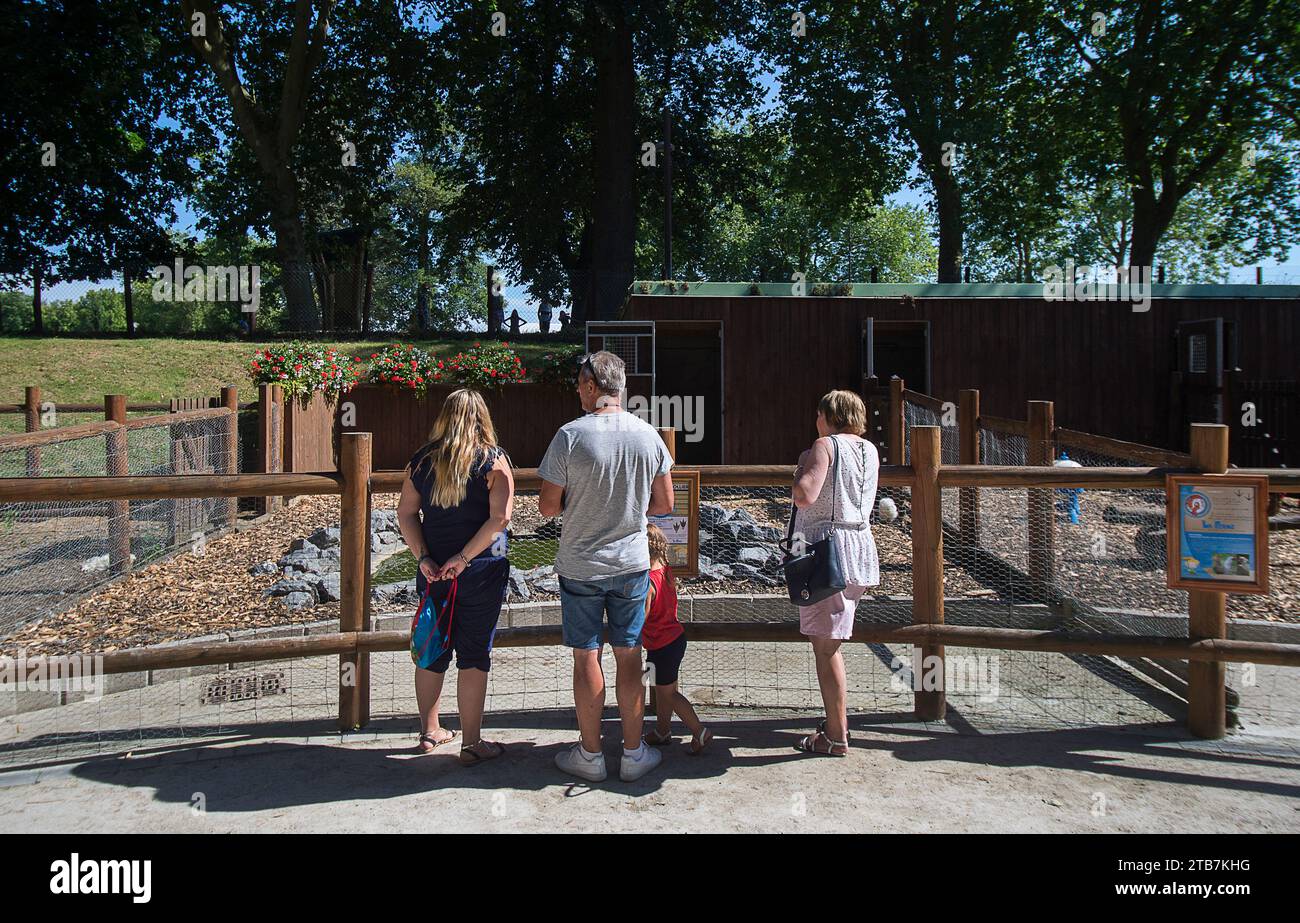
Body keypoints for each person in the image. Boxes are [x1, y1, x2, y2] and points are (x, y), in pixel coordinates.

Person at [538, 351, 675, 782]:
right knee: (630, 656)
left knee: (586, 657)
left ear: (594, 386)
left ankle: (591, 754)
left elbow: (546, 506)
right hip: (632, 563)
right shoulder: (648, 435)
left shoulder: (569, 436)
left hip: (581, 565)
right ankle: (633, 754)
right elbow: (666, 504)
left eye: (581, 384)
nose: (578, 390)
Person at [396, 388, 515, 765]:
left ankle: (430, 731)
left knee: (432, 648)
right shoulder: (494, 462)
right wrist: (464, 558)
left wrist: (424, 559)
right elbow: (501, 519)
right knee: (474, 654)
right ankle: (472, 742)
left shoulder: (422, 462)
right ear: (483, 417)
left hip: (434, 575)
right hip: (480, 572)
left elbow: (405, 514)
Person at [790, 390, 880, 756]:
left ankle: (835, 734)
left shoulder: (824, 445)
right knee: (833, 641)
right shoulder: (869, 450)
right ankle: (835, 726)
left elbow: (804, 495)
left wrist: (799, 469)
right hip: (859, 548)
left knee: (826, 648)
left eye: (819, 414)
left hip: (826, 554)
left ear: (827, 416)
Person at [641, 524, 711, 754]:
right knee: (662, 689)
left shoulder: (648, 583)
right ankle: (663, 731)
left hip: (662, 645)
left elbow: (642, 616)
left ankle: (699, 730)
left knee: (668, 693)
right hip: (673, 639)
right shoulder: (666, 571)